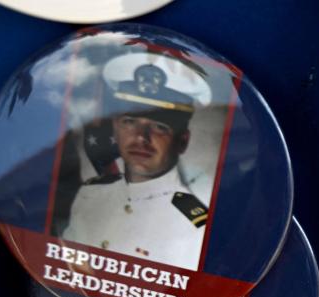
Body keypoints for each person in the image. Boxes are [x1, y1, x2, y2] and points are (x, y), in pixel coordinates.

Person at [62, 53, 213, 270]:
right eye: (130, 121)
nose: (141, 137)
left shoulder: (194, 225)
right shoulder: (90, 195)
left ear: (182, 141)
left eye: (160, 126)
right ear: (116, 127)